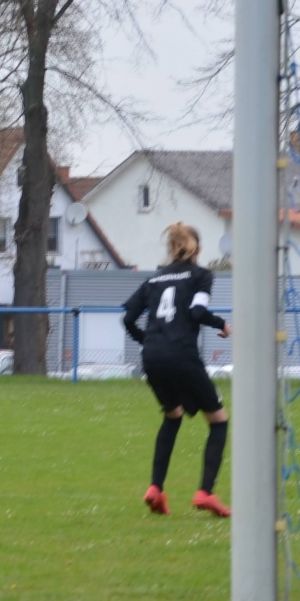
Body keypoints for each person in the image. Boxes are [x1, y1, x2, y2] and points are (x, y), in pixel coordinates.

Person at [122, 222, 233, 517]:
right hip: (181, 355)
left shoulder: (154, 279)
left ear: (171, 248)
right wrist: (222, 324)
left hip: (152, 357)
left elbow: (128, 319)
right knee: (219, 421)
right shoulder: (200, 275)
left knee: (173, 415)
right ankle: (205, 493)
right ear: (196, 249)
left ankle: (156, 489)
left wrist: (147, 341)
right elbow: (196, 312)